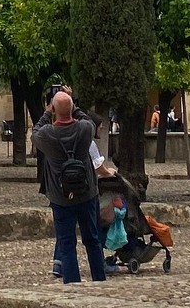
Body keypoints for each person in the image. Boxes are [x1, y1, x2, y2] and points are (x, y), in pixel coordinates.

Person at [32, 90, 107, 284]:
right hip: (87, 192)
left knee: (66, 243)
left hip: (60, 195)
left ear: (55, 109)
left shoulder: (48, 135)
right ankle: (99, 280)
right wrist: (74, 106)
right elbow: (88, 120)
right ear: (72, 109)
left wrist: (48, 113)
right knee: (92, 239)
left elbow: (35, 133)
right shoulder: (84, 129)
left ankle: (73, 285)